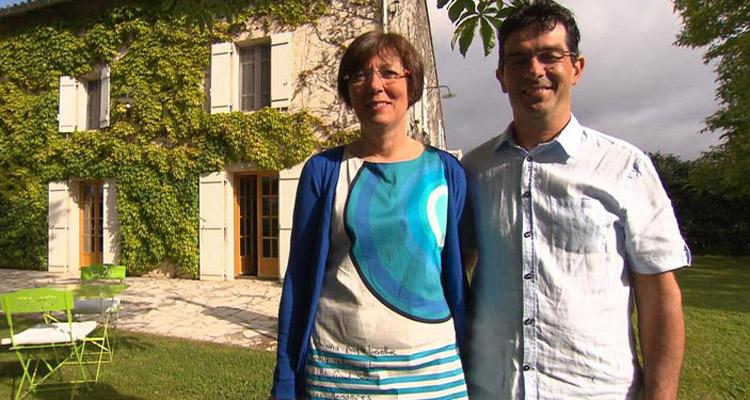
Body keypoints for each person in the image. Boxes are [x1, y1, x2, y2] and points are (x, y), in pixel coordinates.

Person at [461, 1, 691, 399]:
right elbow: (453, 270)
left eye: (550, 56)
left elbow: (659, 295)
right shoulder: (473, 170)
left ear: (577, 67)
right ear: (501, 76)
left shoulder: (626, 169)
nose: (535, 71)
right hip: (492, 390)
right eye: (518, 60)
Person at [269, 30, 469, 400]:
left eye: (390, 73)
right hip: (339, 374)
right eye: (360, 75)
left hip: (431, 376)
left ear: (413, 83)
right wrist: (284, 379)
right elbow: (299, 277)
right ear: (348, 91)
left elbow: (457, 277)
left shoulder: (447, 174)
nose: (375, 85)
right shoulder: (324, 171)